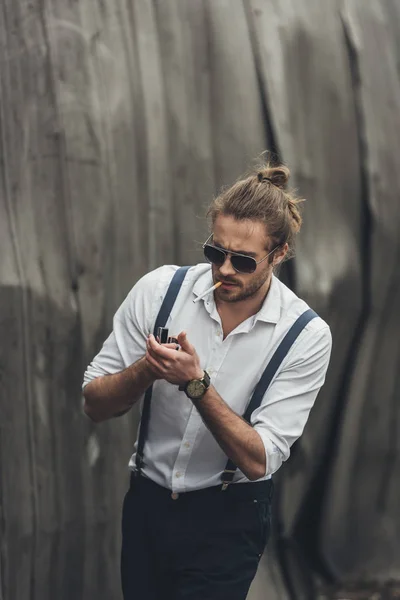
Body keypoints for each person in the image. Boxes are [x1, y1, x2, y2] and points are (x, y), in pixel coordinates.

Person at [82, 161, 332, 600]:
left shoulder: (304, 336)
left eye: (243, 260)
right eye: (216, 252)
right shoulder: (160, 292)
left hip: (228, 517)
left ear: (279, 255)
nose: (225, 269)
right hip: (146, 506)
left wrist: (196, 383)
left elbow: (260, 460)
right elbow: (93, 404)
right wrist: (147, 369)